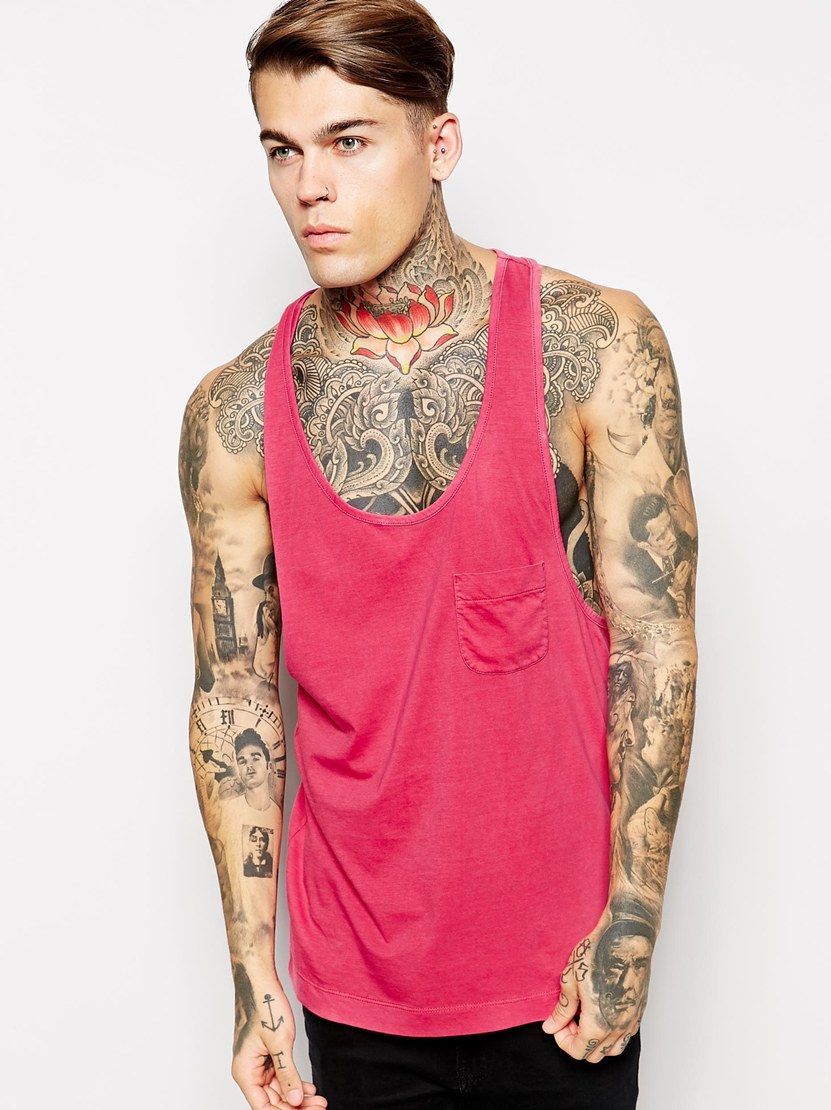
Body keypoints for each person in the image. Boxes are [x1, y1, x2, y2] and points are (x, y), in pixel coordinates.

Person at [177, 2, 699, 1107]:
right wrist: (251, 969)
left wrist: (634, 917)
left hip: (561, 983)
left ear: (440, 143)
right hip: (354, 987)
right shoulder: (232, 414)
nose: (311, 187)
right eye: (283, 150)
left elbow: (653, 640)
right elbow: (235, 699)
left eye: (349, 141)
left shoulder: (593, 346)